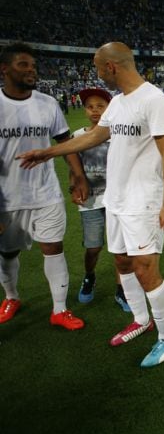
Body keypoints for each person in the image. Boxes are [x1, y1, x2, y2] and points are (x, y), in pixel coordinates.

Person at [18, 42, 164, 367]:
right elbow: (94, 136)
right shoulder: (119, 102)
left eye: (97, 68)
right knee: (121, 261)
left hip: (143, 202)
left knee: (146, 269)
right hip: (116, 199)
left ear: (111, 67)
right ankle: (140, 319)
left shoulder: (154, 100)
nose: (97, 74)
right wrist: (48, 152)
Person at [0, 42, 88, 330]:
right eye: (23, 65)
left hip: (45, 192)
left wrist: (78, 176)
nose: (31, 70)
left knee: (54, 248)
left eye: (34, 66)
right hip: (6, 198)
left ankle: (60, 310)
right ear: (5, 69)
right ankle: (12, 296)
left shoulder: (47, 103)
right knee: (7, 252)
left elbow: (66, 143)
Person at [71, 87, 131, 312]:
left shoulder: (117, 134)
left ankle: (121, 289)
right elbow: (74, 166)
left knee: (121, 251)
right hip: (91, 201)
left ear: (109, 109)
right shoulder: (79, 136)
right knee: (93, 248)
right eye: (90, 107)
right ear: (85, 110)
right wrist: (73, 186)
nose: (95, 111)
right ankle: (89, 276)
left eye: (100, 106)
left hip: (117, 200)